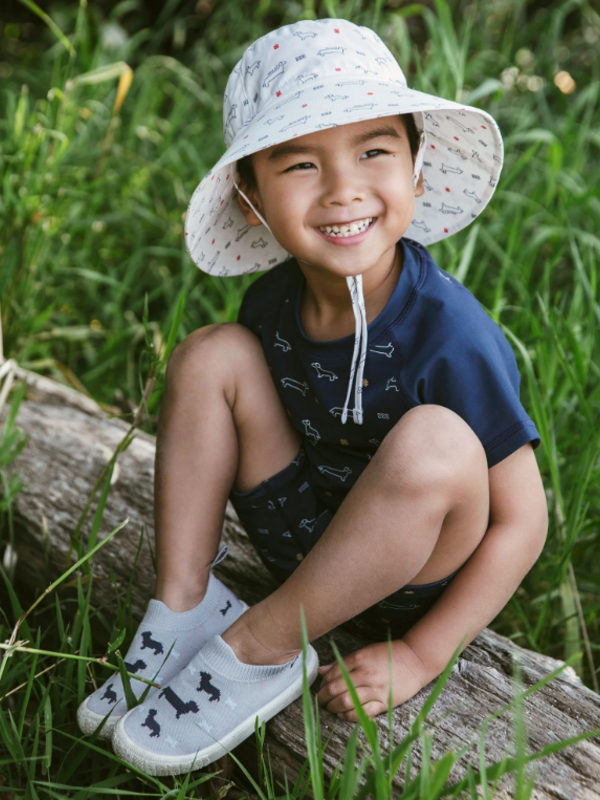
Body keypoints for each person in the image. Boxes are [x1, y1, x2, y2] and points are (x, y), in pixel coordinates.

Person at [78, 18, 548, 776]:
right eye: (300, 164)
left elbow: (524, 523)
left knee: (437, 439)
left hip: (413, 577)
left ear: (417, 171)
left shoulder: (452, 333)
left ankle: (258, 649)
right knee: (209, 355)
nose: (342, 189)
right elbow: (248, 417)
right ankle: (183, 606)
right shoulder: (272, 303)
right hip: (303, 541)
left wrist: (423, 653)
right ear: (251, 199)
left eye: (373, 151)